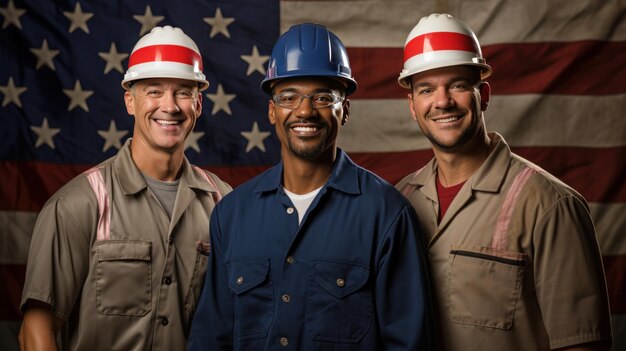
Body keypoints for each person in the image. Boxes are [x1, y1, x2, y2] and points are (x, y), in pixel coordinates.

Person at [188, 23, 430, 351]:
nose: (305, 110)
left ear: (344, 110)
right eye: (289, 97)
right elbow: (209, 340)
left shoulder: (386, 214)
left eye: (322, 97)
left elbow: (409, 343)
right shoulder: (231, 215)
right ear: (272, 111)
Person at [395, 13, 613, 351]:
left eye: (457, 84)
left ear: (483, 94)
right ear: (412, 106)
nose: (442, 101)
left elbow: (580, 345)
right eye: (426, 89)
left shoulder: (550, 204)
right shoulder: (400, 201)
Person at [18, 26, 232, 350]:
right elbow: (36, 329)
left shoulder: (224, 203)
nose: (170, 106)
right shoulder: (79, 205)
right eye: (154, 91)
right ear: (130, 101)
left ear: (199, 104)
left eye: (184, 92)